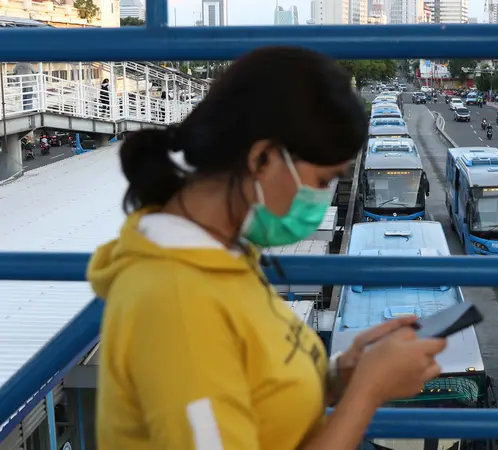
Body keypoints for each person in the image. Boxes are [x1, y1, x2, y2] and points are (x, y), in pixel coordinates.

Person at [86, 47, 447, 450]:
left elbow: (256, 395)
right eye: (321, 180)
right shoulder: (176, 300)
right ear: (262, 158)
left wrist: (342, 376)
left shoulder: (224, 257)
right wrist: (367, 394)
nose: (321, 199)